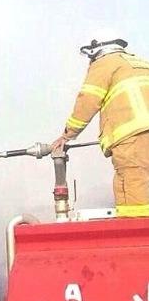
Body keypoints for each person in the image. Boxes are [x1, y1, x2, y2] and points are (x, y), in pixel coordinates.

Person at [51, 36, 149, 217]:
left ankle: (136, 239)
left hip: (133, 137)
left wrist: (67, 135)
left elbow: (88, 100)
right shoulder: (140, 64)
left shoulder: (104, 64)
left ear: (97, 49)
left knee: (132, 188)